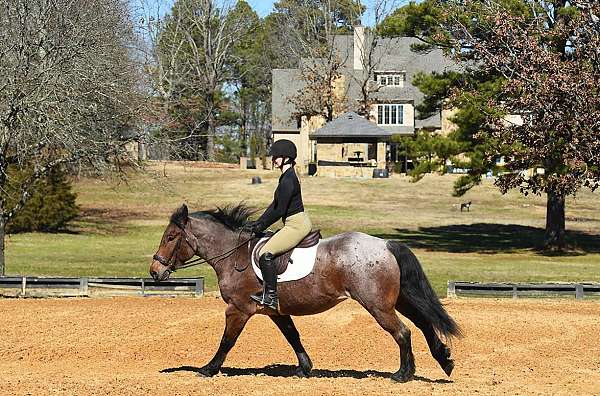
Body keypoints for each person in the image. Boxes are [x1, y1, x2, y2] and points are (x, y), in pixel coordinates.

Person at [243, 139, 312, 311]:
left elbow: (279, 210)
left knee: (265, 253)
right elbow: (275, 205)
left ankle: (271, 297)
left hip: (296, 225)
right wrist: (258, 222)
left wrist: (260, 226)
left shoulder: (289, 179)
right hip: (293, 222)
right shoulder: (286, 177)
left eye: (276, 157)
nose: (273, 160)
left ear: (286, 158)